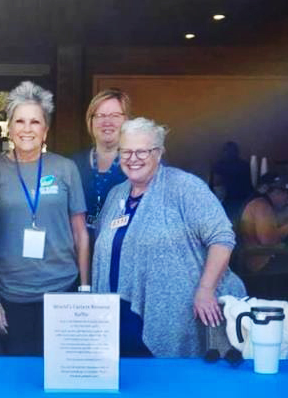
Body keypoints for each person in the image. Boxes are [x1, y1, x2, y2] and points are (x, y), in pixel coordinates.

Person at [93, 117, 245, 357]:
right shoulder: (116, 195)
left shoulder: (185, 187)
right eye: (126, 151)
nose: (133, 159)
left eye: (142, 152)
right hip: (120, 314)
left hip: (174, 316)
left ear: (159, 153)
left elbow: (222, 237)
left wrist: (206, 290)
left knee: (168, 387)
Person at [0, 81, 89, 356]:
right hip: (11, 295)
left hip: (62, 289)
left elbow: (80, 232)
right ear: (9, 126)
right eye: (19, 121)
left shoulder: (65, 169)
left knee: (60, 377)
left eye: (35, 122)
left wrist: (85, 289)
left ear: (46, 130)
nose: (27, 129)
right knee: (18, 380)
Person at [71, 88, 130, 249]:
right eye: (100, 115)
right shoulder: (73, 164)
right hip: (78, 254)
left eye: (115, 115)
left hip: (120, 255)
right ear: (90, 121)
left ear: (127, 120)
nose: (107, 122)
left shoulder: (138, 165)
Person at [210, 141, 253, 222]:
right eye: (226, 151)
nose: (228, 153)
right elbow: (215, 184)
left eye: (230, 151)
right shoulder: (219, 166)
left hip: (238, 200)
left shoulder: (243, 166)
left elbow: (248, 186)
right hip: (232, 201)